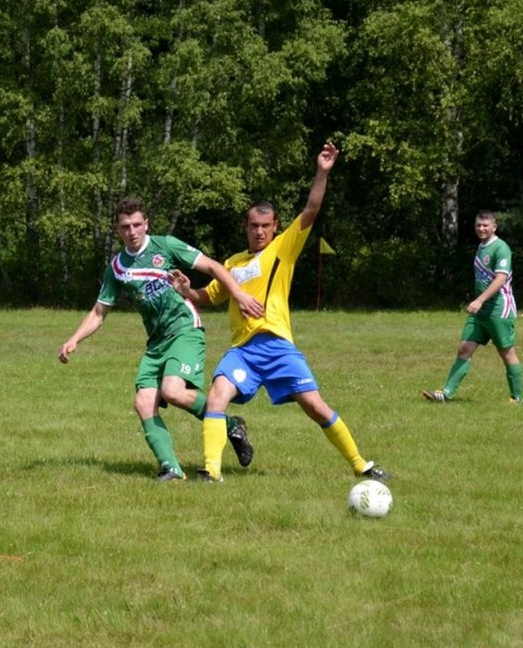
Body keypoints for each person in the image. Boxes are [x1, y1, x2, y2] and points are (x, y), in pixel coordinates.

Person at [171, 142, 389, 483]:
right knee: (217, 395)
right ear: (245, 226)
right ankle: (211, 470)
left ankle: (361, 465)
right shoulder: (232, 263)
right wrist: (188, 291)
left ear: (276, 227)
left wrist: (322, 172)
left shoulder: (282, 249)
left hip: (277, 346)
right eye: (253, 225)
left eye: (265, 225)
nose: (259, 231)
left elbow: (312, 209)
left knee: (315, 406)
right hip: (243, 351)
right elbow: (210, 296)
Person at [58, 197, 263, 481]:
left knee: (173, 391)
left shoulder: (165, 246)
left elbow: (215, 267)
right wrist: (74, 339)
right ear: (118, 229)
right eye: (125, 227)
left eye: (136, 224)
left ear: (146, 224)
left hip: (184, 329)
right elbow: (99, 311)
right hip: (156, 342)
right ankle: (172, 469)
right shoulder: (117, 267)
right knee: (143, 402)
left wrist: (238, 295)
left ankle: (229, 425)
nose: (131, 231)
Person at [422, 210, 523, 404]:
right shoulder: (481, 247)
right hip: (480, 312)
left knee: (506, 352)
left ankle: (516, 398)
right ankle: (446, 393)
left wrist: (480, 300)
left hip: (498, 309)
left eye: (485, 225)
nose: (481, 229)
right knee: (464, 348)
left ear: (494, 227)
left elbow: (500, 279)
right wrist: (479, 302)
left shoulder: (501, 248)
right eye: (478, 225)